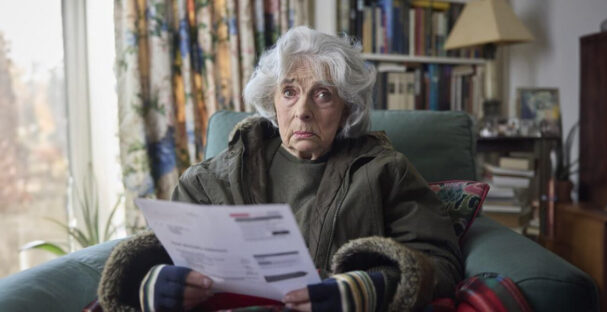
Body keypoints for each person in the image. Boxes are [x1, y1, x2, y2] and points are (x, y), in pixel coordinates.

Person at [98, 26, 462, 312]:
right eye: (289, 92)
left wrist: (365, 291)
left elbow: (441, 265)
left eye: (322, 94)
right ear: (272, 101)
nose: (302, 110)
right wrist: (157, 283)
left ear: (347, 109)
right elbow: (158, 254)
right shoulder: (208, 180)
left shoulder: (385, 171)